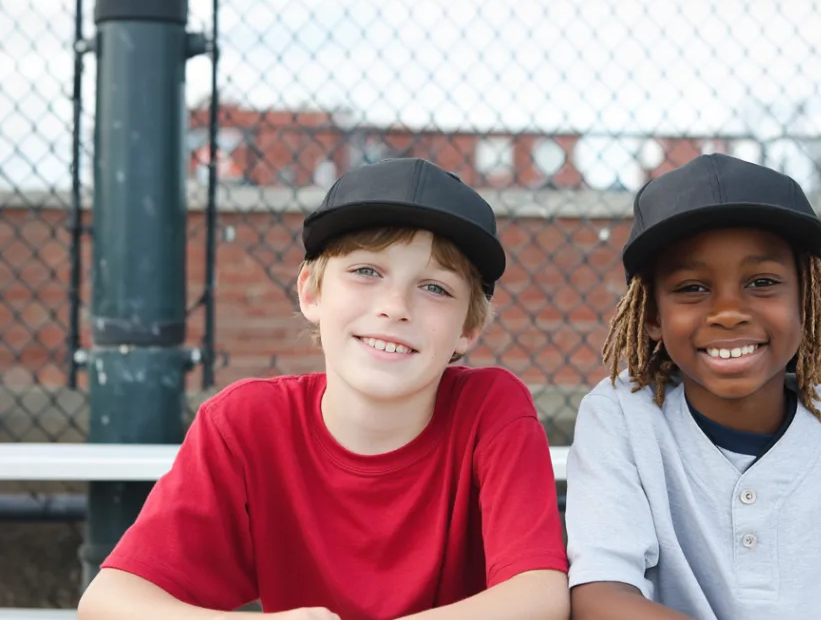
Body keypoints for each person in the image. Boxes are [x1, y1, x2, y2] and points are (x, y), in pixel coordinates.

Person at [78, 158, 570, 620]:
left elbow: (539, 596)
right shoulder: (247, 422)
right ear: (311, 291)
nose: (395, 306)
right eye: (366, 272)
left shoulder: (491, 410)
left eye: (434, 287)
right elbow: (108, 602)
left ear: (467, 328)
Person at [564, 153, 821, 620]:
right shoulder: (621, 415)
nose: (728, 311)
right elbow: (601, 598)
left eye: (762, 282)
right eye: (692, 288)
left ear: (807, 298)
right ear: (654, 316)